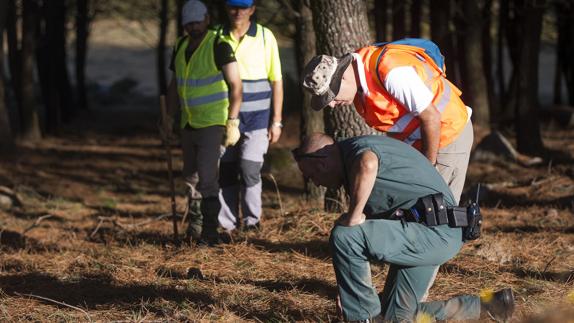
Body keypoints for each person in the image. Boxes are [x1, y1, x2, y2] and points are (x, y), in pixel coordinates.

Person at [293, 133, 514, 323]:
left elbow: (368, 163)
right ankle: (489, 306)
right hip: (436, 232)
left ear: (322, 162)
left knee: (345, 235)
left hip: (433, 232)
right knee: (395, 317)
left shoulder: (356, 152)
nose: (315, 183)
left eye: (312, 175)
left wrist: (353, 215)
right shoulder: (354, 154)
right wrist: (352, 292)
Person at [301, 41, 473, 205]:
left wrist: (427, 171)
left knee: (438, 209)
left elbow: (432, 118)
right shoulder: (361, 86)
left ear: (343, 78)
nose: (331, 104)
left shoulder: (391, 73)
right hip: (422, 141)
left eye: (331, 96)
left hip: (447, 135)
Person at [163, 0, 242, 245]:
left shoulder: (219, 45)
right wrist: (167, 117)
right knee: (190, 177)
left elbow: (236, 85)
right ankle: (195, 226)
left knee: (207, 177)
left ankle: (210, 233)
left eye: (197, 22)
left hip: (212, 122)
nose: (193, 27)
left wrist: (232, 121)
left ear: (207, 19)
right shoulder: (180, 45)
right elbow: (175, 85)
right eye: (189, 24)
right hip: (188, 122)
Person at [216, 0, 284, 232]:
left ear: (252, 10)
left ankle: (252, 222)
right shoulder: (216, 35)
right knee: (225, 170)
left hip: (258, 119)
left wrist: (276, 120)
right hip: (223, 118)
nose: (238, 12)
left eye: (243, 7)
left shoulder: (265, 36)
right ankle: (227, 225)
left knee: (249, 169)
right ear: (227, 8)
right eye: (233, 7)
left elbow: (277, 81)